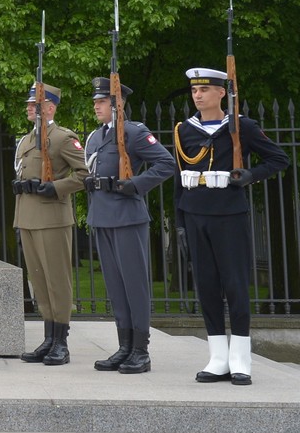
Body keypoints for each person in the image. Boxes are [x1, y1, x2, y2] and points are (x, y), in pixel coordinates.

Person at [174, 67, 289, 385]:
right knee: (207, 288)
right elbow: (179, 180)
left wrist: (249, 175)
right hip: (196, 215)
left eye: (205, 90)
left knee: (235, 287)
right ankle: (218, 357)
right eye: (194, 91)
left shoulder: (242, 127)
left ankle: (240, 357)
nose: (198, 95)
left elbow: (278, 159)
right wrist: (181, 222)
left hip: (229, 217)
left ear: (222, 93)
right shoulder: (184, 130)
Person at [83, 78, 174, 374]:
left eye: (102, 101)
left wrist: (135, 185)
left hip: (127, 216)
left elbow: (166, 164)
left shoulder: (134, 133)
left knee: (134, 284)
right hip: (102, 217)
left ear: (117, 104)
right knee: (116, 286)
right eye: (95, 101)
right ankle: (124, 346)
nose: (96, 105)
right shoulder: (96, 137)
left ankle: (141, 350)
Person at [12, 83, 87, 365]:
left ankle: (61, 342)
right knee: (39, 279)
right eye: (29, 104)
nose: (29, 108)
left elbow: (83, 175)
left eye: (36, 104)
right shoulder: (26, 140)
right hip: (28, 216)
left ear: (50, 108)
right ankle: (48, 337)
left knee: (57, 280)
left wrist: (55, 187)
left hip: (52, 217)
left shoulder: (63, 138)